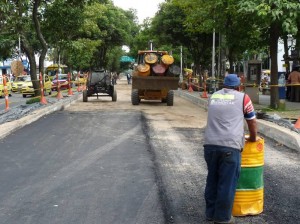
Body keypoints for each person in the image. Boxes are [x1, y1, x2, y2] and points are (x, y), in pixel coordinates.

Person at [203, 74, 257, 224]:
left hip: (210, 145)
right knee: (226, 183)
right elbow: (252, 122)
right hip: (230, 147)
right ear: (239, 86)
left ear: (224, 85)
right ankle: (222, 218)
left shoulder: (213, 96)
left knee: (212, 180)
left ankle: (210, 214)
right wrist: (253, 138)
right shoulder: (243, 98)